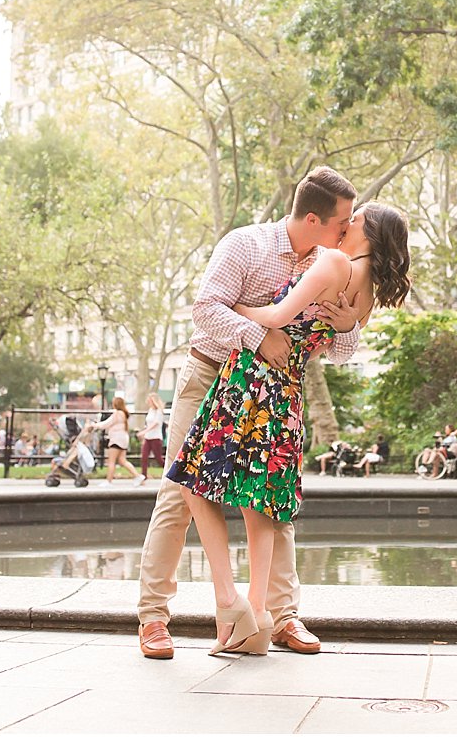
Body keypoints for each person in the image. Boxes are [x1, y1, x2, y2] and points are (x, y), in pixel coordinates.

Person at [135, 166, 369, 660]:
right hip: (207, 379)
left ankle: (279, 617)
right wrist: (260, 335)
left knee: (270, 503)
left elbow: (339, 350)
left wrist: (349, 326)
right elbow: (205, 310)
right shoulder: (245, 245)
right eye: (341, 222)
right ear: (313, 217)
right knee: (180, 493)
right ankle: (154, 618)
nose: (347, 230)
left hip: (268, 396)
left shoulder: (330, 263)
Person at [167, 199, 410, 656]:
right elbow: (327, 346)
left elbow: (277, 318)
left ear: (368, 232)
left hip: (252, 378)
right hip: (288, 391)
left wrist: (238, 306)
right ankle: (256, 615)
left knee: (193, 482)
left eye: (353, 220)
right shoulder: (369, 293)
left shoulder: (334, 262)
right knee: (261, 503)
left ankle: (230, 599)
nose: (345, 225)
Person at [93, 396, 140, 483]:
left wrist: (94, 425)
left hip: (116, 439)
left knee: (111, 461)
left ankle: (108, 481)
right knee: (122, 461)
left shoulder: (117, 414)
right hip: (123, 439)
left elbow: (106, 424)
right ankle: (138, 476)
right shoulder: (124, 414)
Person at [136, 393, 165, 483]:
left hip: (156, 438)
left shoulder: (159, 411)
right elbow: (148, 423)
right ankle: (143, 476)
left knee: (158, 458)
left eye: (150, 400)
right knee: (144, 457)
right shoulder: (150, 410)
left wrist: (144, 431)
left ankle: (169, 473)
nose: (148, 402)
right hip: (148, 438)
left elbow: (155, 423)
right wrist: (143, 432)